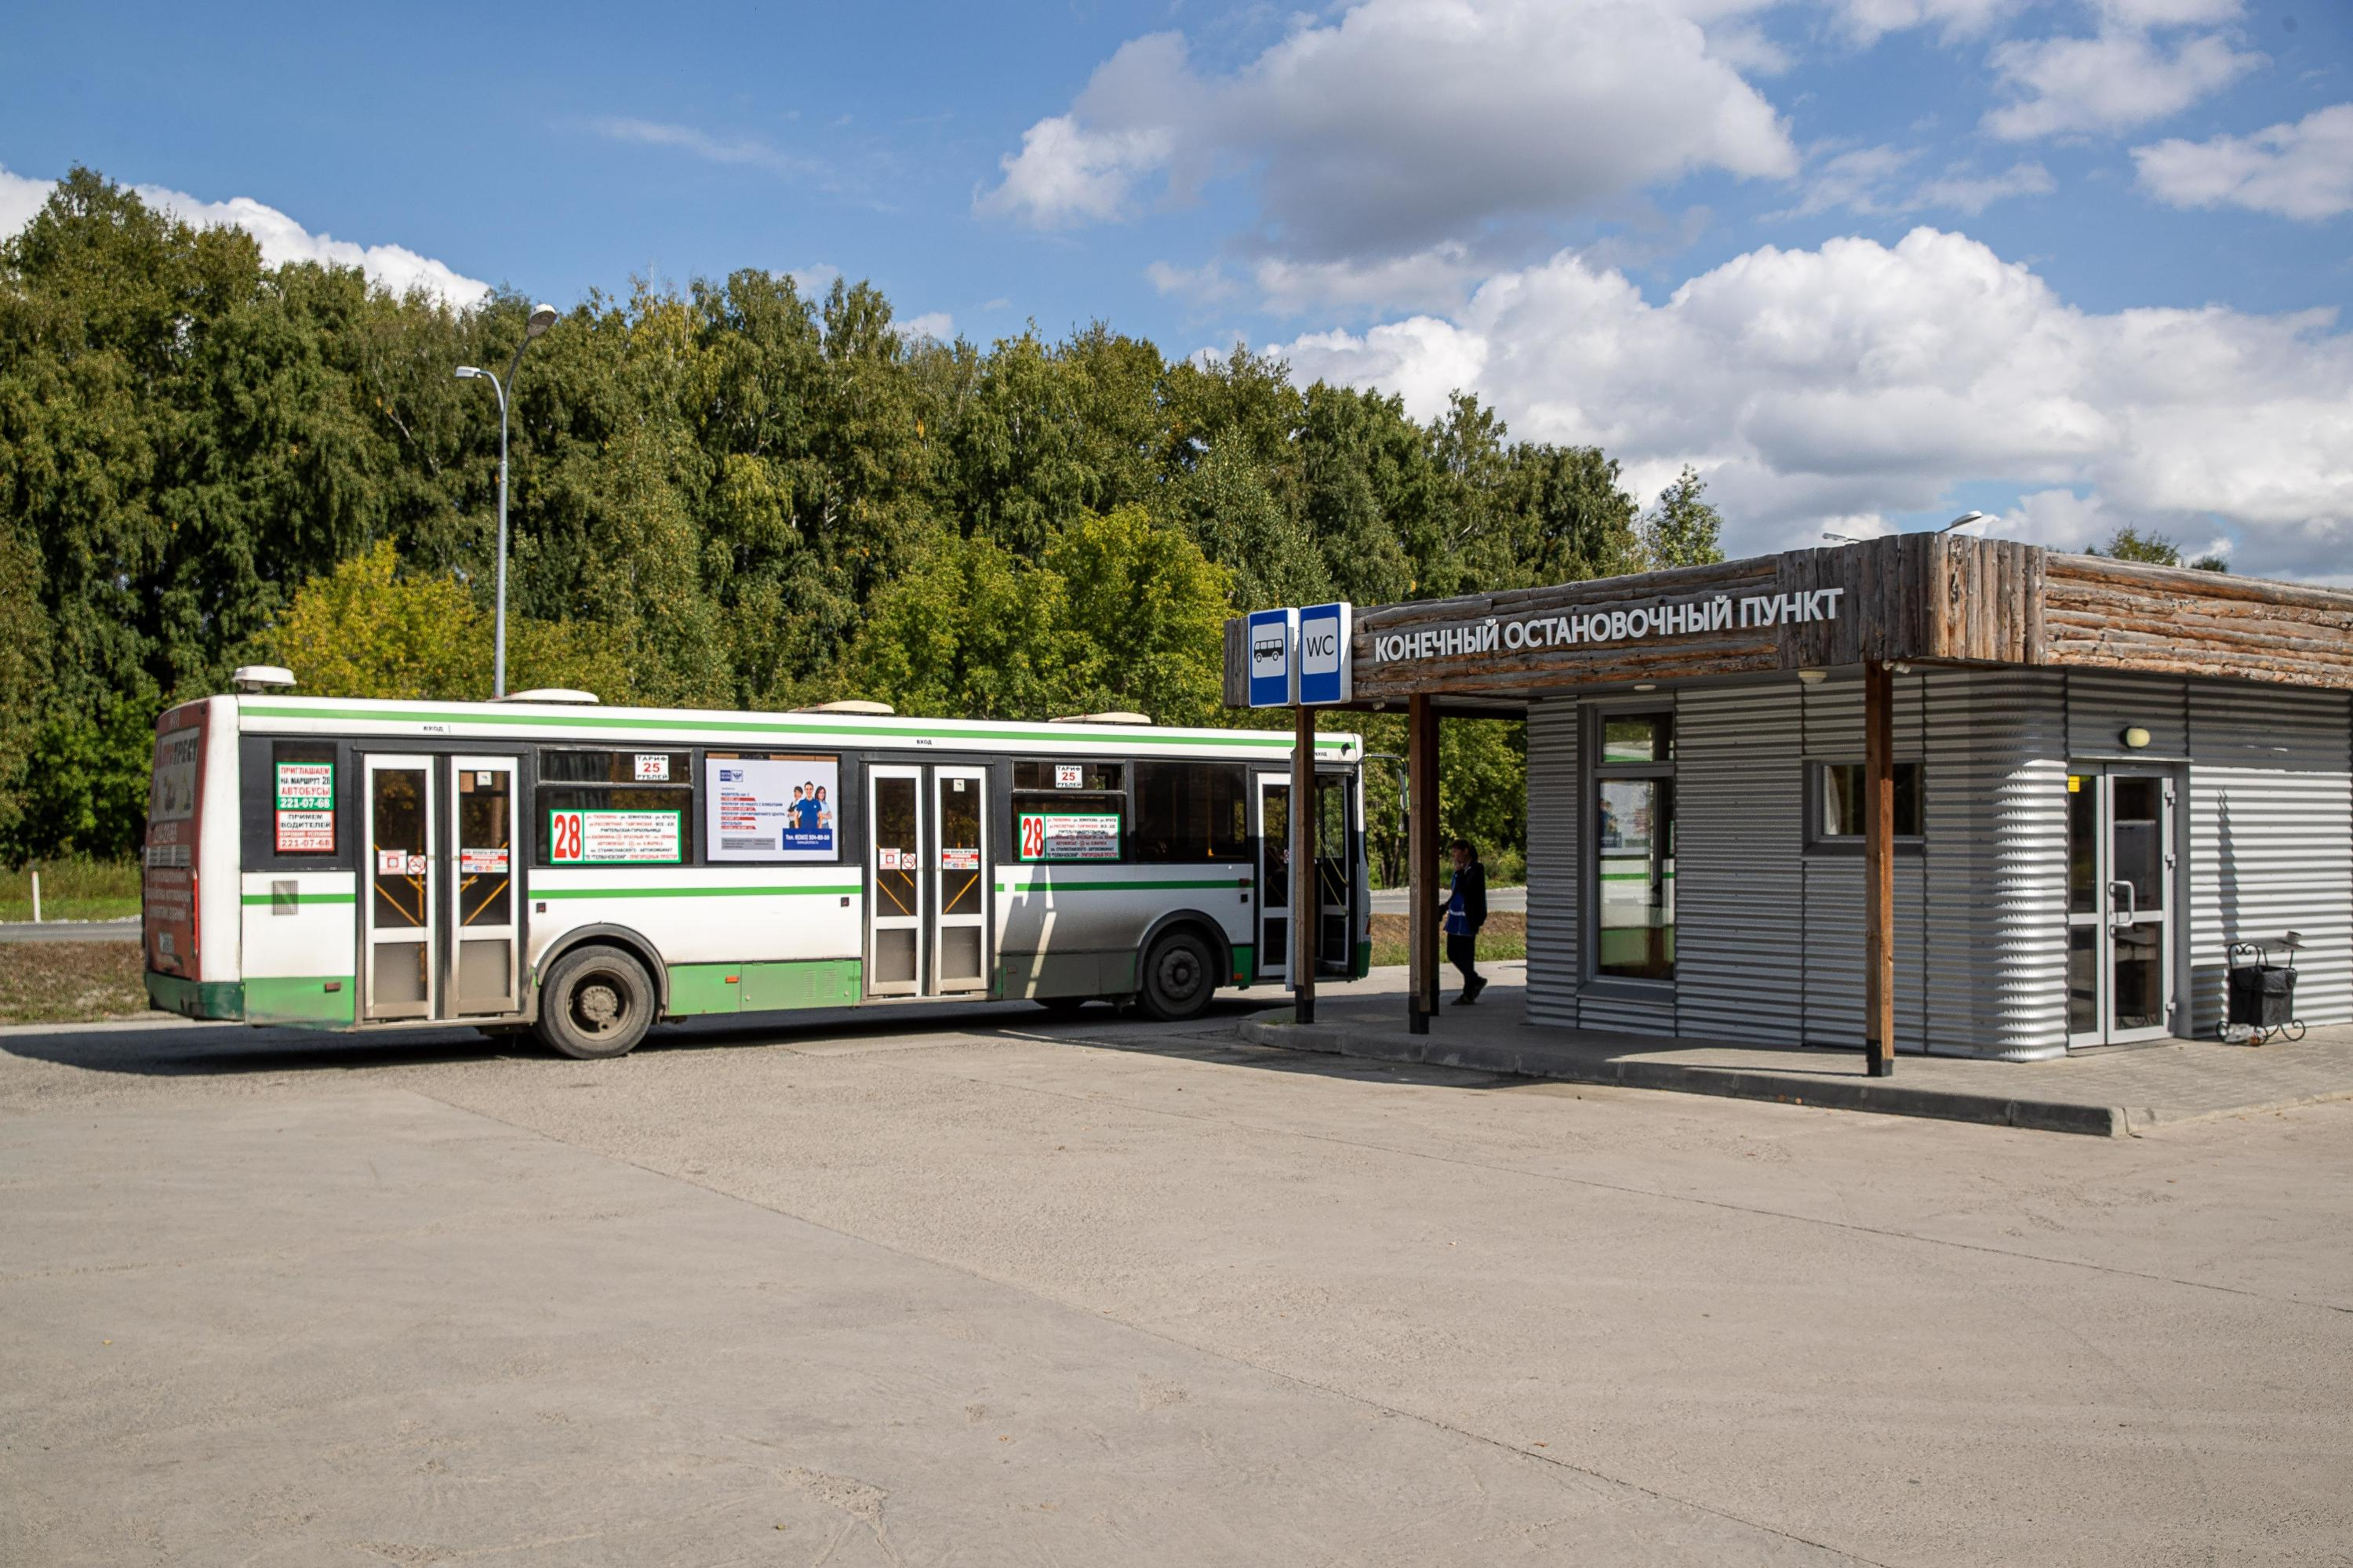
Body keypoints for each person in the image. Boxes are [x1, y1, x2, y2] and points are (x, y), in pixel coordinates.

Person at [1442, 839, 1488, 1005]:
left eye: (1456, 852)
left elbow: (1469, 889)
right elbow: (1456, 891)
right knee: (1452, 952)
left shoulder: (1476, 869)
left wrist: (1461, 873)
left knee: (1467, 956)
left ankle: (1469, 992)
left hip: (1468, 918)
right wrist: (1445, 906)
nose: (1454, 856)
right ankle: (1474, 980)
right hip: (1455, 918)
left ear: (1466, 851)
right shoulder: (1459, 871)